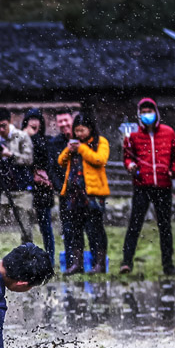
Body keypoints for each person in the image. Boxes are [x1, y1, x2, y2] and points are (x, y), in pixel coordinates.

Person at [120, 98, 175, 275]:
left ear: (156, 113)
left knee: (165, 226)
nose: (147, 115)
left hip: (163, 185)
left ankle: (168, 265)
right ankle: (126, 262)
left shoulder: (168, 133)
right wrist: (130, 165)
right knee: (135, 224)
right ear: (140, 115)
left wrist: (174, 171)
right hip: (142, 186)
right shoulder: (133, 136)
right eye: (144, 112)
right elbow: (127, 155)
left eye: (150, 111)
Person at [57, 113, 109, 274]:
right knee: (75, 230)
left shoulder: (101, 142)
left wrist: (82, 149)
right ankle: (77, 264)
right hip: (74, 195)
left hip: (93, 195)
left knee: (95, 230)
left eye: (82, 130)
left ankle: (98, 264)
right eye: (77, 130)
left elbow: (100, 159)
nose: (79, 134)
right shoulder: (73, 144)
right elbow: (61, 161)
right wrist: (69, 149)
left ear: (90, 129)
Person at [23, 109, 60, 264]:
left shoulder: (46, 141)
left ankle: (49, 260)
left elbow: (45, 159)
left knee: (46, 227)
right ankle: (26, 259)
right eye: (30, 119)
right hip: (25, 188)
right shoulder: (21, 139)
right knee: (25, 227)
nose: (34, 122)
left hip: (42, 190)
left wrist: (35, 137)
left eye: (36, 119)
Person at [48, 109, 75, 259]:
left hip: (84, 191)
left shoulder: (81, 139)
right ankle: (71, 260)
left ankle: (93, 260)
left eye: (66, 120)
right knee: (67, 227)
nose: (64, 124)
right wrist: (61, 188)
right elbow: (51, 168)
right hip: (65, 192)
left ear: (72, 120)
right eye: (60, 121)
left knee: (88, 227)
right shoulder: (55, 143)